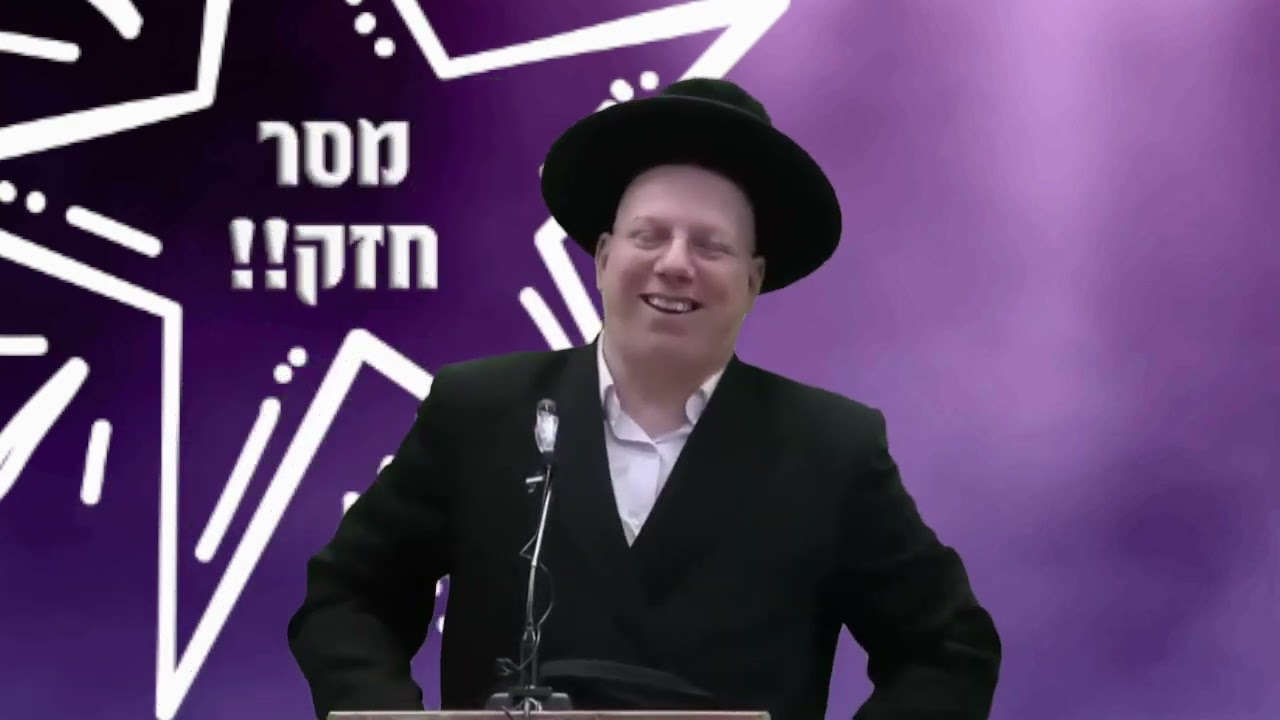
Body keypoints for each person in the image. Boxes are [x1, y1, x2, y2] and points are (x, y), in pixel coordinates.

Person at [287, 78, 1002, 720]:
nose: (676, 264)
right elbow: (349, 597)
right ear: (603, 257)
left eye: (711, 246)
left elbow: (949, 648)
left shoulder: (831, 449)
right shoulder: (478, 411)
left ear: (753, 280)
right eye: (649, 236)